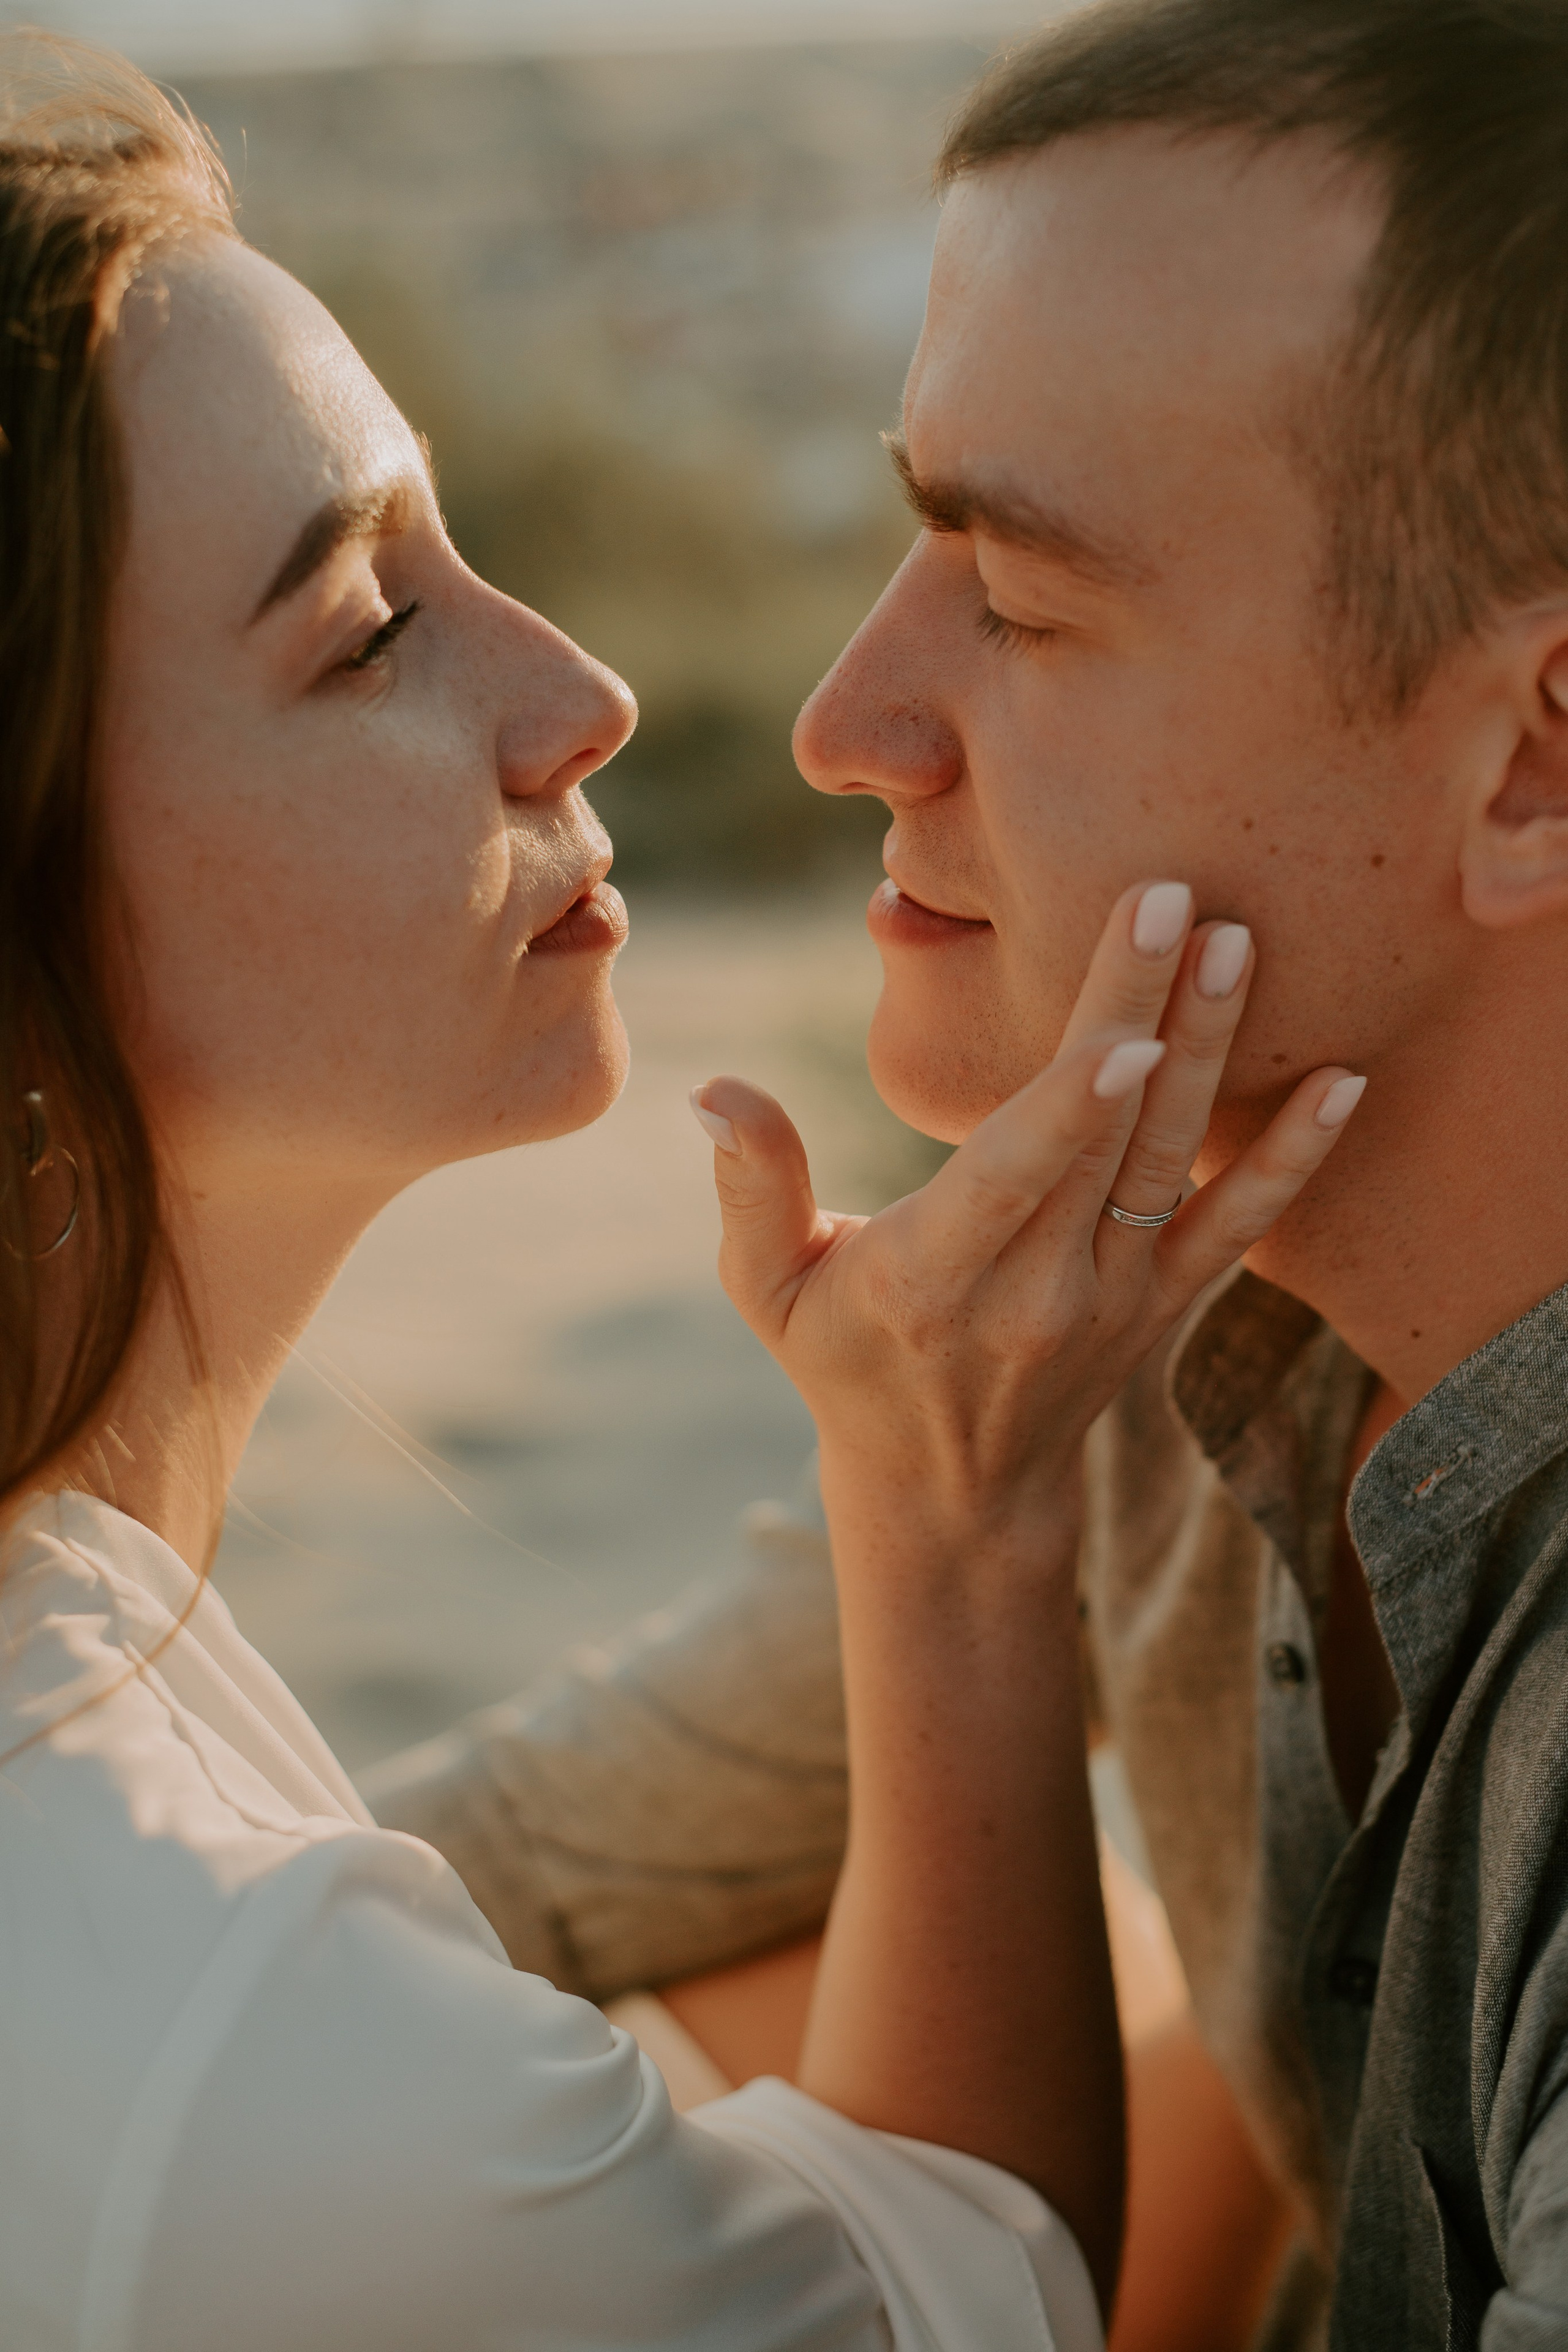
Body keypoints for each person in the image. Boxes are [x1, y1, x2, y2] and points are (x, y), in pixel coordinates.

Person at [0, 28, 1368, 2352]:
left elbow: (545, 1853)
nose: (590, 692)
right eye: (368, 633)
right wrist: (950, 1516)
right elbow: (979, 2301)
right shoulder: (251, 2061)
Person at [368, 2, 1568, 2348]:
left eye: (1018, 604)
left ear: (1535, 759)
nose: (841, 725)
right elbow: (482, 1867)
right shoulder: (1144, 1308)